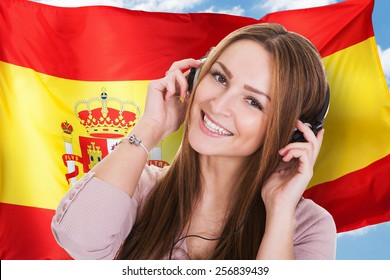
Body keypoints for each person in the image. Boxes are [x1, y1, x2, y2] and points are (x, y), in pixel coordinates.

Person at [51, 23, 336, 260]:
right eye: (220, 77)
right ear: (194, 76)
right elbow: (79, 239)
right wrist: (150, 127)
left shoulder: (306, 226)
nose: (219, 104)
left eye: (252, 101)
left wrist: (280, 211)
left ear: (293, 133)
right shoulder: (139, 186)